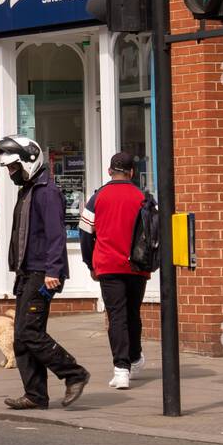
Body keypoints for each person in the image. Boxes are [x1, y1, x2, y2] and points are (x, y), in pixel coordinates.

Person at [0, 135, 90, 410]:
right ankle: (35, 395)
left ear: (30, 161)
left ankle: (74, 374)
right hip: (28, 272)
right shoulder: (28, 189)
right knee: (21, 336)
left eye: (14, 167)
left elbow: (55, 235)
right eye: (9, 168)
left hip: (42, 272)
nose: (11, 173)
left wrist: (53, 270)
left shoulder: (47, 192)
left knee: (29, 333)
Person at [80, 152, 151, 390]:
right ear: (132, 172)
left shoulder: (97, 197)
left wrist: (90, 263)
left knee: (117, 317)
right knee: (133, 313)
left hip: (108, 265)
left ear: (110, 171)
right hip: (136, 266)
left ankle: (121, 370)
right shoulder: (143, 197)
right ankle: (134, 356)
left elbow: (85, 234)